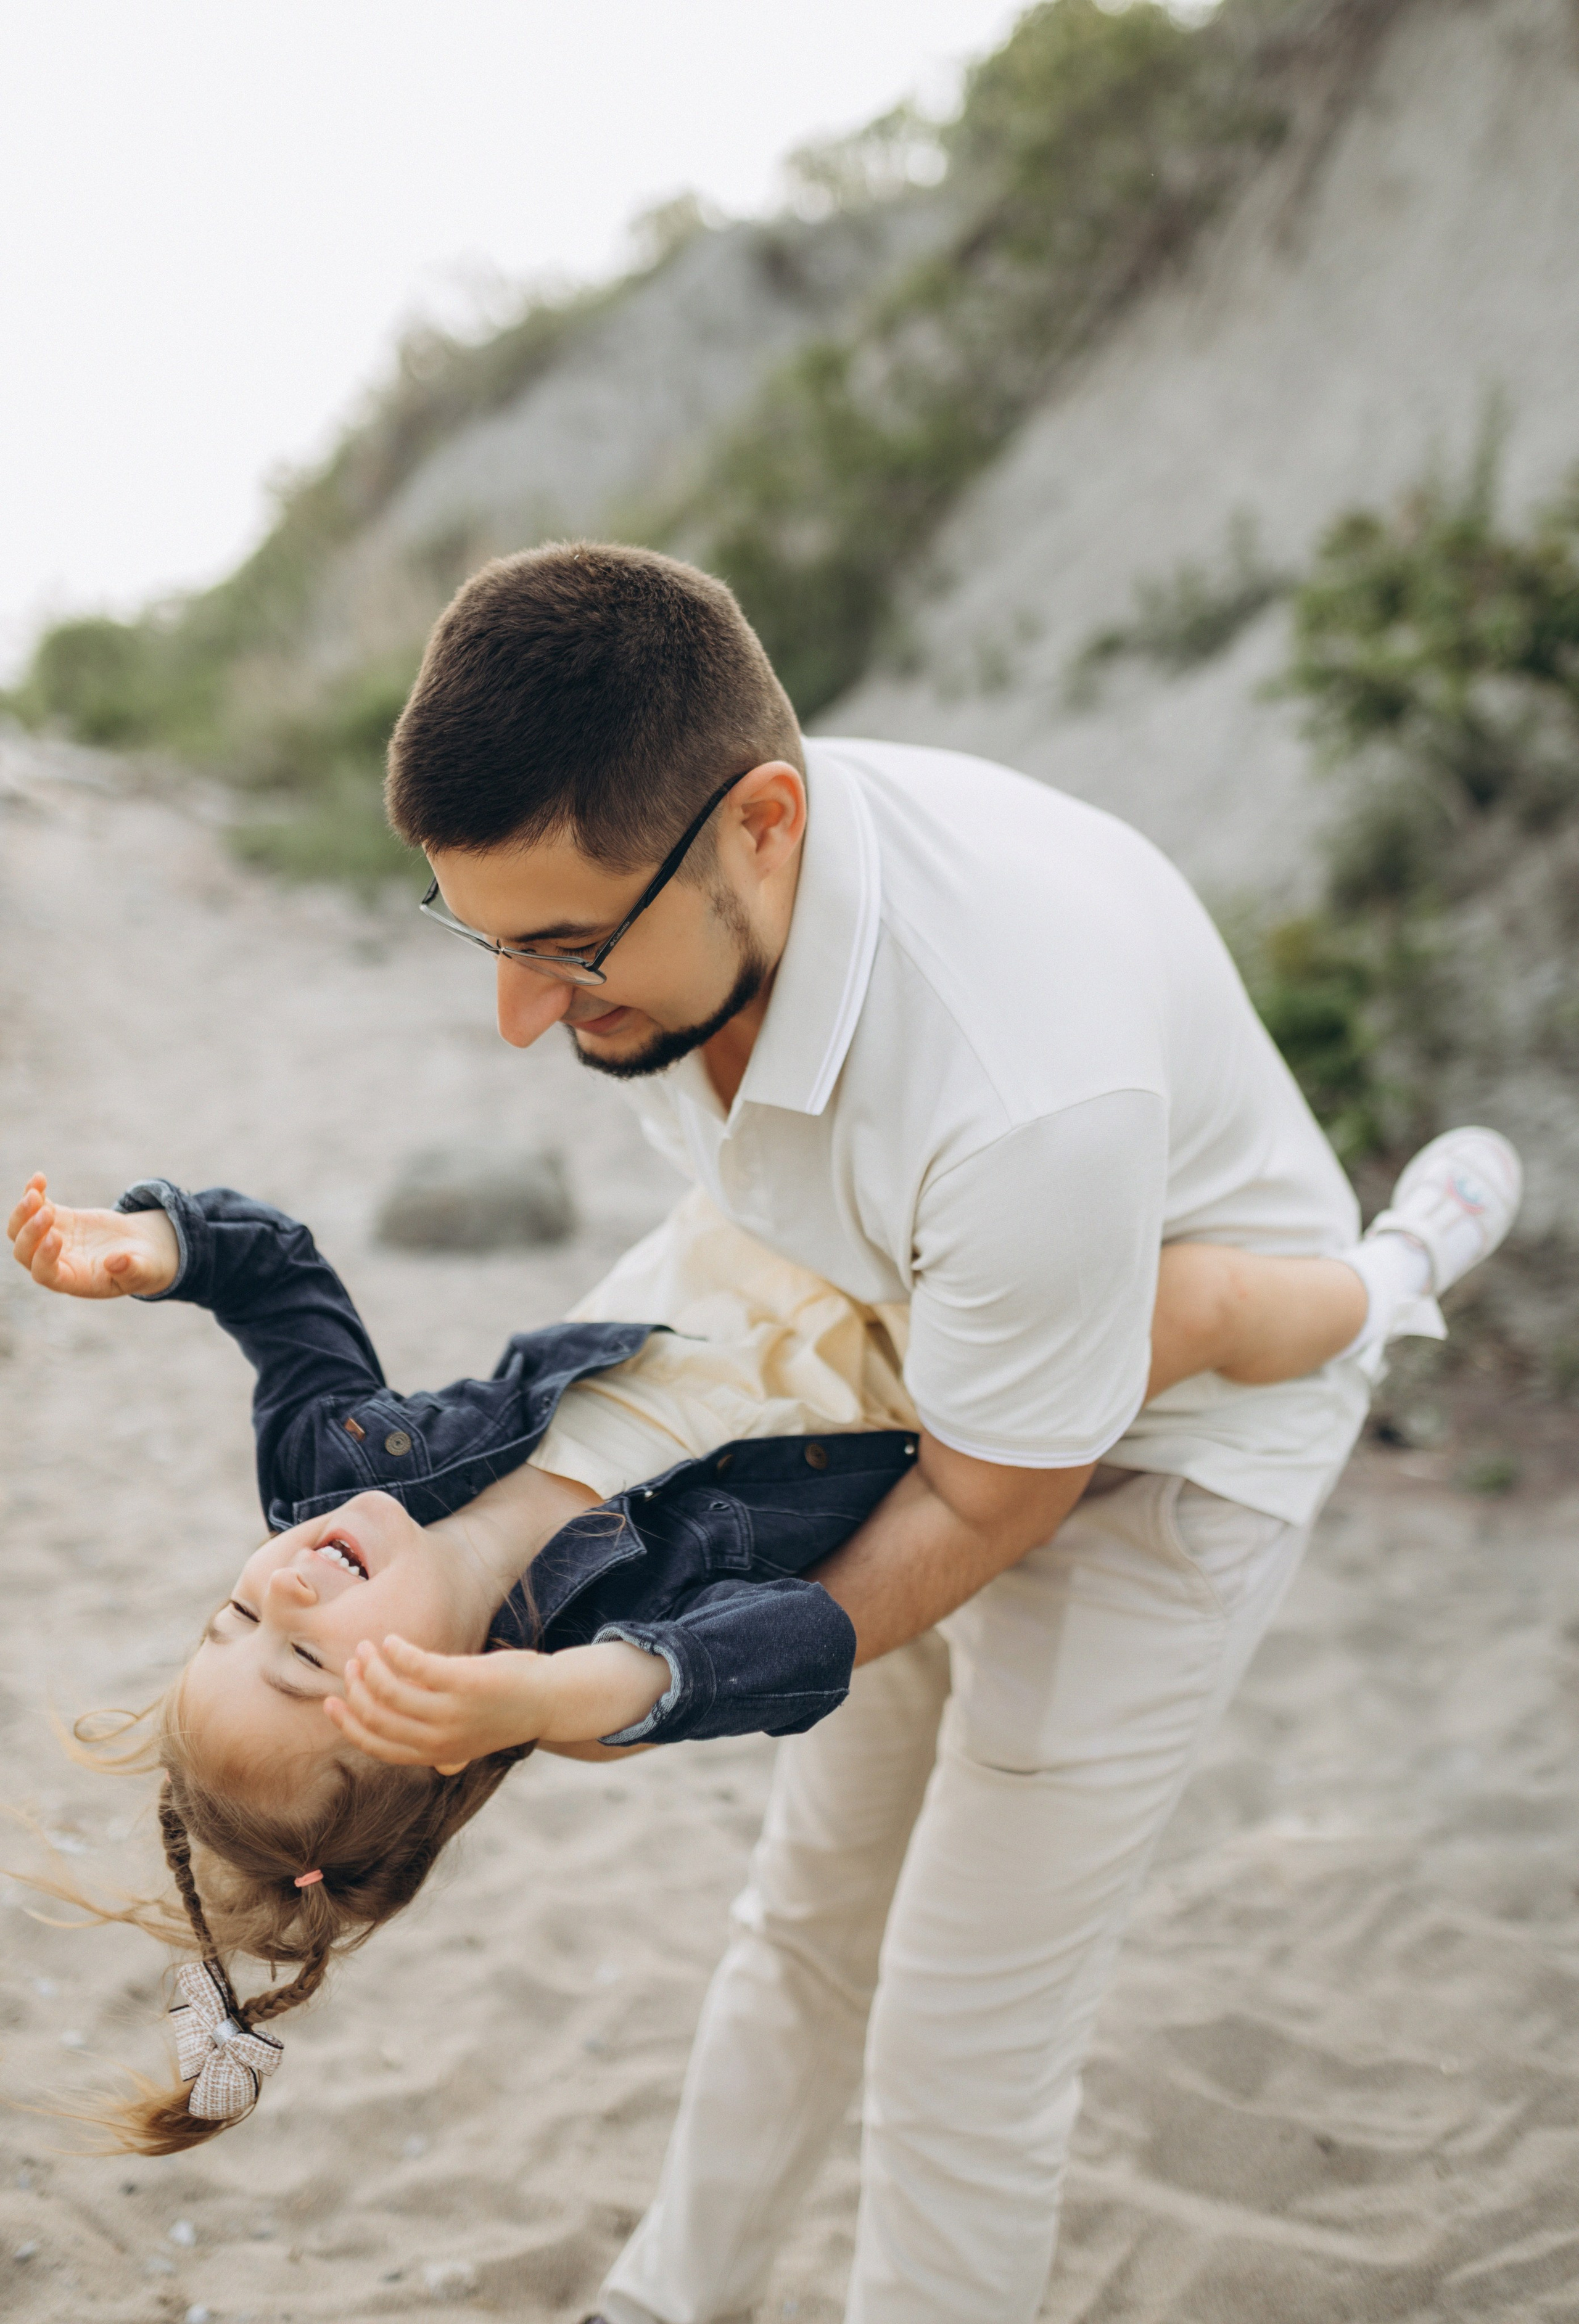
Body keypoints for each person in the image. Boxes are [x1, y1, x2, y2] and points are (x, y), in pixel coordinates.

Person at [374, 540, 1523, 2324]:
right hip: (937, 1360)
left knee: (966, 2031)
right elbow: (725, 1283)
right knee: (809, 1912)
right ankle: (671, 2296)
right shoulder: (700, 915)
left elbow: (997, 1499)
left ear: (764, 821)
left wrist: (666, 1678)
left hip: (1176, 1438)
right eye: (486, 937)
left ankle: (1396, 1273)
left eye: (568, 947)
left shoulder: (1015, 1081)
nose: (523, 1015)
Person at [5, 1133, 1512, 2166]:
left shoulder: (335, 1472)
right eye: (300, 1654)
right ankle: (1393, 1281)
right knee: (1192, 1301)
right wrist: (551, 1689)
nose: (283, 1587)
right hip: (921, 1382)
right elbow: (798, 1641)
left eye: (234, 1610)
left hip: (769, 1258)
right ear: (436, 1722)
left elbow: (286, 1284)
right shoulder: (590, 1684)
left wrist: (157, 1246)